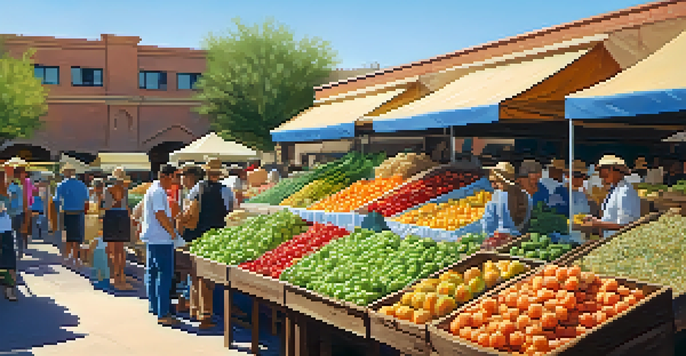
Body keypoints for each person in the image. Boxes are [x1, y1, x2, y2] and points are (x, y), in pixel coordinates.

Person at [177, 158, 234, 328]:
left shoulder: (197, 188)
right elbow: (230, 212)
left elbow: (187, 209)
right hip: (215, 237)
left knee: (195, 273)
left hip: (196, 235)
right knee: (208, 276)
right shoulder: (226, 191)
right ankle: (205, 315)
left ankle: (195, 309)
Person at [140, 164, 181, 326]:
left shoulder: (152, 189)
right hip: (161, 239)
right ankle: (163, 313)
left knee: (152, 273)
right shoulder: (158, 192)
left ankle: (155, 307)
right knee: (164, 275)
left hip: (152, 238)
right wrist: (171, 231)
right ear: (166, 176)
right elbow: (160, 213)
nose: (175, 182)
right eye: (174, 177)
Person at [582, 155, 641, 237]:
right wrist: (596, 221)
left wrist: (598, 223)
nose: (601, 176)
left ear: (613, 170)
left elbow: (626, 225)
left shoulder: (625, 192)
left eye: (603, 171)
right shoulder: (614, 190)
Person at [54, 162, 90, 268]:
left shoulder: (61, 185)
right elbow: (86, 201)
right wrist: (85, 211)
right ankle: (75, 257)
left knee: (67, 236)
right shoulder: (82, 185)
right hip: (79, 212)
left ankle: (67, 256)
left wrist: (57, 212)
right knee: (78, 237)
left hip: (67, 212)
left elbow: (56, 200)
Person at [103, 167, 133, 290]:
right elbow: (126, 206)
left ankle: (115, 276)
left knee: (112, 249)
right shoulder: (125, 190)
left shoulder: (108, 190)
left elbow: (107, 207)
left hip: (111, 217)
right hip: (123, 217)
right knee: (121, 249)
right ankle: (122, 275)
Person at [481, 162, 530, 237]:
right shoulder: (526, 195)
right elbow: (526, 220)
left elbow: (488, 222)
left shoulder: (496, 196)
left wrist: (488, 236)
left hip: (499, 238)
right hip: (518, 238)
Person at [0, 170, 18, 301]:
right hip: (5, 229)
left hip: (6, 229)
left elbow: (13, 211)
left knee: (9, 259)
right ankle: (9, 289)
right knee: (8, 258)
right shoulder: (8, 194)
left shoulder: (9, 194)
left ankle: (9, 288)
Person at [6, 158, 29, 260]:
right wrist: (25, 210)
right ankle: (19, 252)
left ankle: (14, 251)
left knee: (11, 233)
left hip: (10, 212)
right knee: (18, 233)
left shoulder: (9, 186)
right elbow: (24, 199)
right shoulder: (20, 185)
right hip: (18, 212)